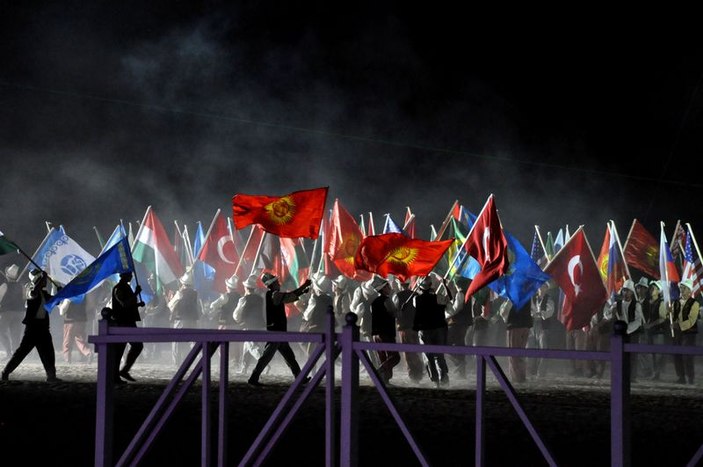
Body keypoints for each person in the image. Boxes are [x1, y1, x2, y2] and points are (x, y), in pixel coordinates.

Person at [247, 272, 312, 386]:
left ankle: (299, 377)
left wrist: (302, 290)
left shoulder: (271, 294)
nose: (278, 283)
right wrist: (303, 286)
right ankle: (253, 377)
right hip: (276, 332)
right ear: (272, 285)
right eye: (276, 282)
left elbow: (290, 296)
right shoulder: (274, 295)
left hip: (277, 331)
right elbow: (290, 296)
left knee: (289, 356)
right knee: (267, 357)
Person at [1, 269, 61, 382]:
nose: (45, 282)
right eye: (43, 280)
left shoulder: (43, 293)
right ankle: (5, 372)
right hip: (33, 329)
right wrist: (43, 277)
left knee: (49, 353)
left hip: (43, 327)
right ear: (37, 280)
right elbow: (33, 294)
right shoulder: (30, 288)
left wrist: (59, 292)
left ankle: (51, 376)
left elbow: (55, 301)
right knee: (21, 353)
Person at [413, 275, 450, 387]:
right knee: (439, 355)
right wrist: (444, 285)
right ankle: (444, 379)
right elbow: (449, 298)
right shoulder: (438, 297)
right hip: (438, 328)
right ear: (430, 285)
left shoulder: (416, 299)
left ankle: (435, 380)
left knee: (428, 355)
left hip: (424, 330)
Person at [604, 279, 644, 381]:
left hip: (632, 334)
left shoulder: (636, 305)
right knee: (619, 356)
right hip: (620, 335)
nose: (626, 293)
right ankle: (620, 375)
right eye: (624, 290)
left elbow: (638, 321)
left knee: (632, 356)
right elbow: (606, 315)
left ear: (632, 292)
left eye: (628, 291)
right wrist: (611, 312)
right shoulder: (617, 304)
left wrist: (627, 329)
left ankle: (632, 377)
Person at [111, 271, 145, 383]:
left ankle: (123, 370)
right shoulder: (119, 288)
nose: (131, 276)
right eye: (129, 275)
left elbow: (128, 305)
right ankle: (116, 374)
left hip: (128, 321)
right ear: (124, 276)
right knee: (120, 349)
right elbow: (124, 304)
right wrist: (135, 294)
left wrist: (138, 304)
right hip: (122, 322)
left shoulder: (126, 287)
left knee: (137, 346)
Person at [392, 278, 424, 382]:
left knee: (408, 352)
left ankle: (414, 374)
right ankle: (419, 371)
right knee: (416, 349)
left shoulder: (397, 296)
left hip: (404, 327)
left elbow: (395, 311)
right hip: (415, 326)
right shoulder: (415, 294)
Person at [234, 274, 266, 374]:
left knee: (252, 346)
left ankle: (264, 364)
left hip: (248, 325)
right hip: (260, 325)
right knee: (247, 347)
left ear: (246, 288)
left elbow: (236, 315)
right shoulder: (260, 299)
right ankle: (244, 368)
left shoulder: (243, 299)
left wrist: (238, 321)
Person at [370, 277, 400, 384]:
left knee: (383, 357)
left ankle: (385, 381)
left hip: (376, 333)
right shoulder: (387, 300)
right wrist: (400, 309)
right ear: (383, 289)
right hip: (386, 332)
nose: (389, 288)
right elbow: (394, 313)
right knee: (395, 357)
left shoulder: (374, 302)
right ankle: (380, 371)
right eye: (387, 286)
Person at [209, 274, 243, 368]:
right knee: (235, 344)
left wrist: (219, 307)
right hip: (235, 324)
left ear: (228, 287)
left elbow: (213, 305)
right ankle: (235, 362)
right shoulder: (240, 296)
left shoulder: (225, 297)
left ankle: (225, 361)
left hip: (225, 324)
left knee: (222, 344)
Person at [669, 279, 699, 384]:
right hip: (678, 333)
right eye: (681, 288)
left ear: (690, 290)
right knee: (677, 354)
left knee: (687, 356)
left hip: (689, 333)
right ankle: (681, 377)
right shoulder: (676, 303)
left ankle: (690, 377)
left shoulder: (694, 304)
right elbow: (673, 316)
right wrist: (670, 314)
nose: (681, 290)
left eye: (684, 288)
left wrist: (679, 325)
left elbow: (691, 320)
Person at [168, 271, 200, 366]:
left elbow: (171, 306)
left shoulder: (179, 293)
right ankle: (198, 359)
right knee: (193, 341)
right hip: (193, 320)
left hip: (180, 320)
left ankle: (176, 362)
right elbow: (198, 306)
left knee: (177, 342)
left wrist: (170, 299)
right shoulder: (195, 293)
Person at [500, 297, 533, 384]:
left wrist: (503, 312)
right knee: (521, 354)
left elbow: (504, 311)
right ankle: (522, 377)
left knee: (513, 355)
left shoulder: (513, 293)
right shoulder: (528, 293)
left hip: (515, 325)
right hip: (526, 325)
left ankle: (516, 379)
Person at [642, 280, 669, 380]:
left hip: (658, 331)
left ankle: (657, 373)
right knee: (652, 353)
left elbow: (662, 318)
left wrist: (651, 325)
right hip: (651, 331)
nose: (651, 290)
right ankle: (654, 372)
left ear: (659, 291)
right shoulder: (648, 302)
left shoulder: (661, 303)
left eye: (654, 288)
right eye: (651, 288)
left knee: (658, 354)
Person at [530, 281, 557, 378]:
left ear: (546, 288)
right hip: (533, 326)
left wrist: (541, 314)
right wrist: (534, 314)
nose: (541, 289)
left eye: (543, 287)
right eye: (540, 287)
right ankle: (531, 370)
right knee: (531, 347)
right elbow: (530, 310)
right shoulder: (533, 298)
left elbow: (550, 311)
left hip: (543, 326)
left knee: (543, 348)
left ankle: (541, 372)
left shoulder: (549, 300)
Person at [0, 264, 25, 360]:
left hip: (7, 312)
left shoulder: (4, 286)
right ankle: (16, 355)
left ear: (7, 275)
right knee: (16, 334)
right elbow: (24, 298)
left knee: (1, 331)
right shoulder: (21, 286)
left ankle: (9, 353)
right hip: (20, 312)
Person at [58, 296, 93, 363]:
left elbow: (62, 311)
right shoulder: (83, 296)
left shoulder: (69, 297)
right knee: (80, 340)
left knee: (67, 340)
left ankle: (67, 359)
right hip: (81, 321)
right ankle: (88, 352)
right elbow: (90, 305)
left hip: (70, 321)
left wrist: (60, 306)